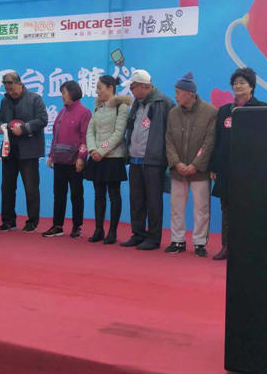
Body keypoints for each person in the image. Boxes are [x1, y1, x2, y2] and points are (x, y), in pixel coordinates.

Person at [209, 67, 267, 260]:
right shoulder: (224, 111)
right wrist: (214, 166)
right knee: (226, 208)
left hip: (252, 171)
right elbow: (217, 140)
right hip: (227, 169)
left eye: (242, 82)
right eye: (235, 83)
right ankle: (227, 246)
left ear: (252, 87)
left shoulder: (263, 109)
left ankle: (249, 247)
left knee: (250, 209)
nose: (238, 86)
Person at [120, 69, 175, 251]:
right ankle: (138, 234)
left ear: (144, 86)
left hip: (154, 160)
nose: (131, 91)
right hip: (135, 159)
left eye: (133, 87)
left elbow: (171, 133)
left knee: (153, 201)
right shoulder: (137, 103)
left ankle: (153, 237)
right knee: (136, 200)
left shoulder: (164, 103)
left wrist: (165, 156)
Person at [165, 72, 217, 257]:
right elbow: (169, 141)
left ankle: (200, 242)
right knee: (176, 207)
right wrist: (177, 163)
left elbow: (209, 142)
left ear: (189, 93)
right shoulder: (173, 113)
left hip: (199, 170)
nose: (175, 95)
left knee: (201, 207)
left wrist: (195, 164)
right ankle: (177, 240)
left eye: (177, 92)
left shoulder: (210, 112)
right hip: (177, 169)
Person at [0, 72, 48, 233]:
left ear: (20, 84)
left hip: (29, 151)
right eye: (7, 89)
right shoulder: (4, 101)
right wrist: (1, 127)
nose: (11, 92)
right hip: (9, 150)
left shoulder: (34, 99)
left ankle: (32, 221)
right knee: (7, 187)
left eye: (13, 89)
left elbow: (42, 119)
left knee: (31, 188)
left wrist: (24, 129)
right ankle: (8, 221)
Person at [84, 75, 132, 244]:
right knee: (99, 195)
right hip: (96, 157)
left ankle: (112, 232)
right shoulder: (98, 108)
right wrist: (92, 149)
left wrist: (101, 151)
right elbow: (90, 130)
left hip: (113, 157)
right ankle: (99, 230)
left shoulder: (122, 108)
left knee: (114, 195)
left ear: (110, 88)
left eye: (100, 87)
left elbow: (119, 134)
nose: (97, 91)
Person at [42, 81, 91, 239]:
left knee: (76, 195)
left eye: (64, 92)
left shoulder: (84, 112)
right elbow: (55, 136)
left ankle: (77, 226)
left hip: (75, 162)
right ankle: (57, 226)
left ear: (72, 92)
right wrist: (51, 155)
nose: (62, 96)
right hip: (59, 160)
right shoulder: (61, 113)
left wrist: (81, 158)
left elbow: (85, 137)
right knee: (59, 194)